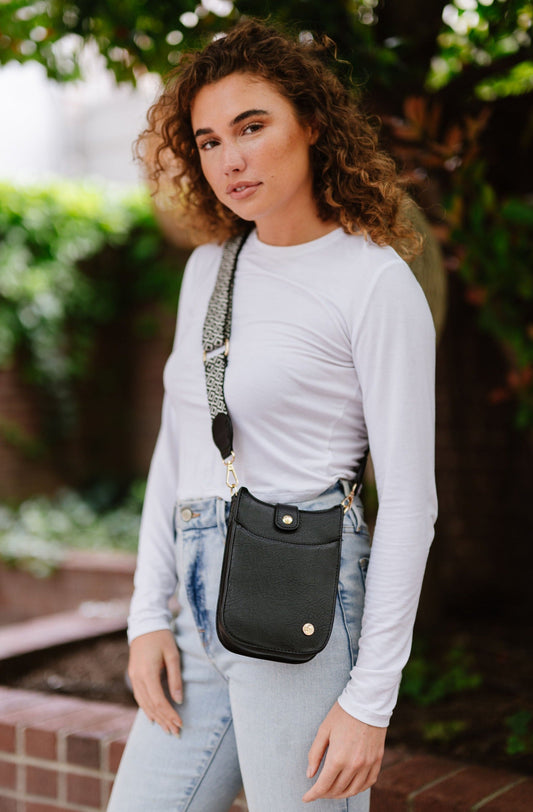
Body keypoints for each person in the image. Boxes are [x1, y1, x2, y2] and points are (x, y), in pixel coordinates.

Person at [107, 18, 437, 812]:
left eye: (251, 127)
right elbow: (176, 448)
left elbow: (409, 505)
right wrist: (146, 615)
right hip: (196, 609)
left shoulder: (373, 282)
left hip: (300, 608)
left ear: (312, 123)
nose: (231, 159)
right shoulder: (208, 270)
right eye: (209, 140)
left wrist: (369, 700)